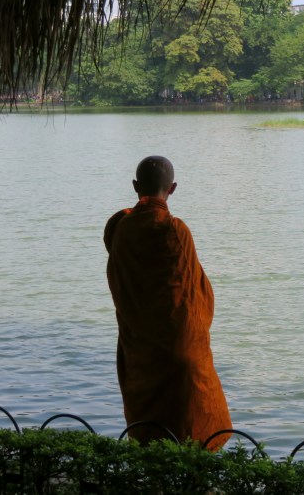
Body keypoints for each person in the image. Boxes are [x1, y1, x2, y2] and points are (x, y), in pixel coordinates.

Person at [104, 155, 231, 448]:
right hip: (180, 356)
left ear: (135, 186)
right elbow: (196, 292)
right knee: (193, 434)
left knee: (150, 439)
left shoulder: (121, 229)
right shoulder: (174, 230)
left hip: (140, 354)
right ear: (172, 188)